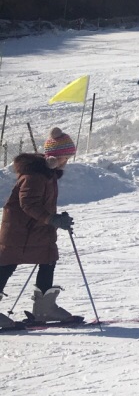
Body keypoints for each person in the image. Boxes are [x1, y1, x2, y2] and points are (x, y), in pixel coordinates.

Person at [0, 129, 80, 329]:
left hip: (36, 229)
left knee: (48, 258)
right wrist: (51, 219)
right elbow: (28, 204)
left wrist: (56, 218)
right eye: (65, 157)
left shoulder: (48, 174)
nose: (67, 161)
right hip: (20, 230)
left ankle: (45, 309)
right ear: (54, 157)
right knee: (7, 264)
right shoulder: (34, 175)